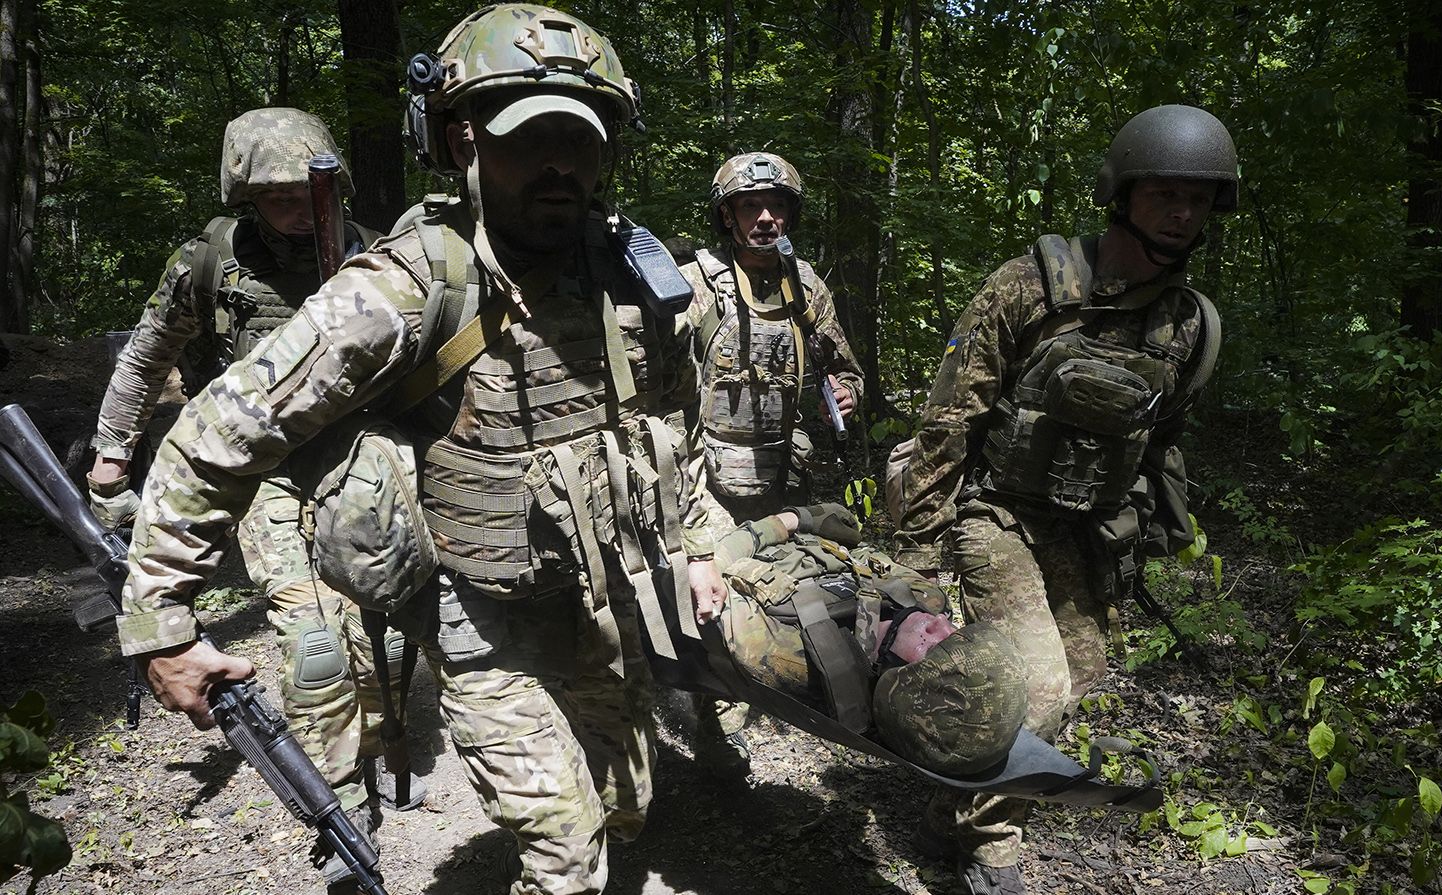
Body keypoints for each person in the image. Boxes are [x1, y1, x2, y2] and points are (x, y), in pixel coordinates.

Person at [111, 6, 726, 893]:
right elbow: (219, 431)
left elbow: (678, 417)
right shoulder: (411, 284)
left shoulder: (632, 272)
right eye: (528, 139)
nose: (560, 164)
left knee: (625, 803)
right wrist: (163, 621)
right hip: (477, 612)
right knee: (568, 855)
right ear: (462, 140)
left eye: (580, 140)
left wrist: (697, 547)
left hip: (595, 600)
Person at [892, 104, 1236, 894]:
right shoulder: (1028, 289)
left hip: (1084, 526)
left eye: (1198, 199)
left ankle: (954, 793)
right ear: (1123, 193)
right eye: (1165, 194)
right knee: (1036, 688)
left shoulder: (1187, 326)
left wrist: (1145, 532)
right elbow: (949, 422)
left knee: (1082, 676)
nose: (1182, 214)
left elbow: (1159, 441)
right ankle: (990, 848)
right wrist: (916, 557)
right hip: (997, 514)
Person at [84, 106, 407, 888]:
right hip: (258, 469)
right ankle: (340, 808)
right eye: (278, 197)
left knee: (384, 638)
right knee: (312, 641)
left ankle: (380, 748)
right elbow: (145, 358)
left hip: (357, 463)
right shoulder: (210, 263)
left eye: (310, 195)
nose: (299, 211)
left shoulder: (372, 254)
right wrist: (111, 456)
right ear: (246, 197)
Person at [679, 151, 866, 766]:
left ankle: (777, 686)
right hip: (708, 473)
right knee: (713, 597)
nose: (766, 218)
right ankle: (715, 721)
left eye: (777, 206)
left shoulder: (805, 287)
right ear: (727, 215)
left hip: (783, 471)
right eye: (751, 206)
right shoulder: (696, 283)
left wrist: (845, 392)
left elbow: (844, 366)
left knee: (783, 589)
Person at [704, 503, 1028, 778]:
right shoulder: (928, 600)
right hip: (779, 537)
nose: (939, 623)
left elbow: (708, 582)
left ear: (899, 685)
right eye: (955, 634)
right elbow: (856, 544)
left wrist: (784, 522)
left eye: (932, 647)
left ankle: (717, 725)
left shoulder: (787, 653)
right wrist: (814, 521)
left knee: (709, 660)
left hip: (725, 540)